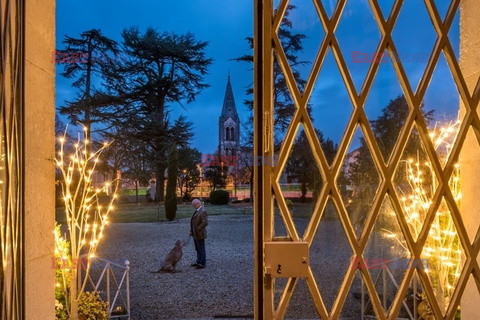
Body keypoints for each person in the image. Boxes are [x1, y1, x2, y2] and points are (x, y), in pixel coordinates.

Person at [190, 199, 208, 268]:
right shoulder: (197, 211)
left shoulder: (203, 211)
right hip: (195, 233)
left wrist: (197, 229)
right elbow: (194, 222)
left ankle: (202, 263)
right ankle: (198, 261)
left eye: (194, 205)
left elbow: (205, 222)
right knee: (197, 248)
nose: (193, 207)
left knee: (201, 248)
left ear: (198, 204)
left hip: (200, 233)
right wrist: (191, 230)